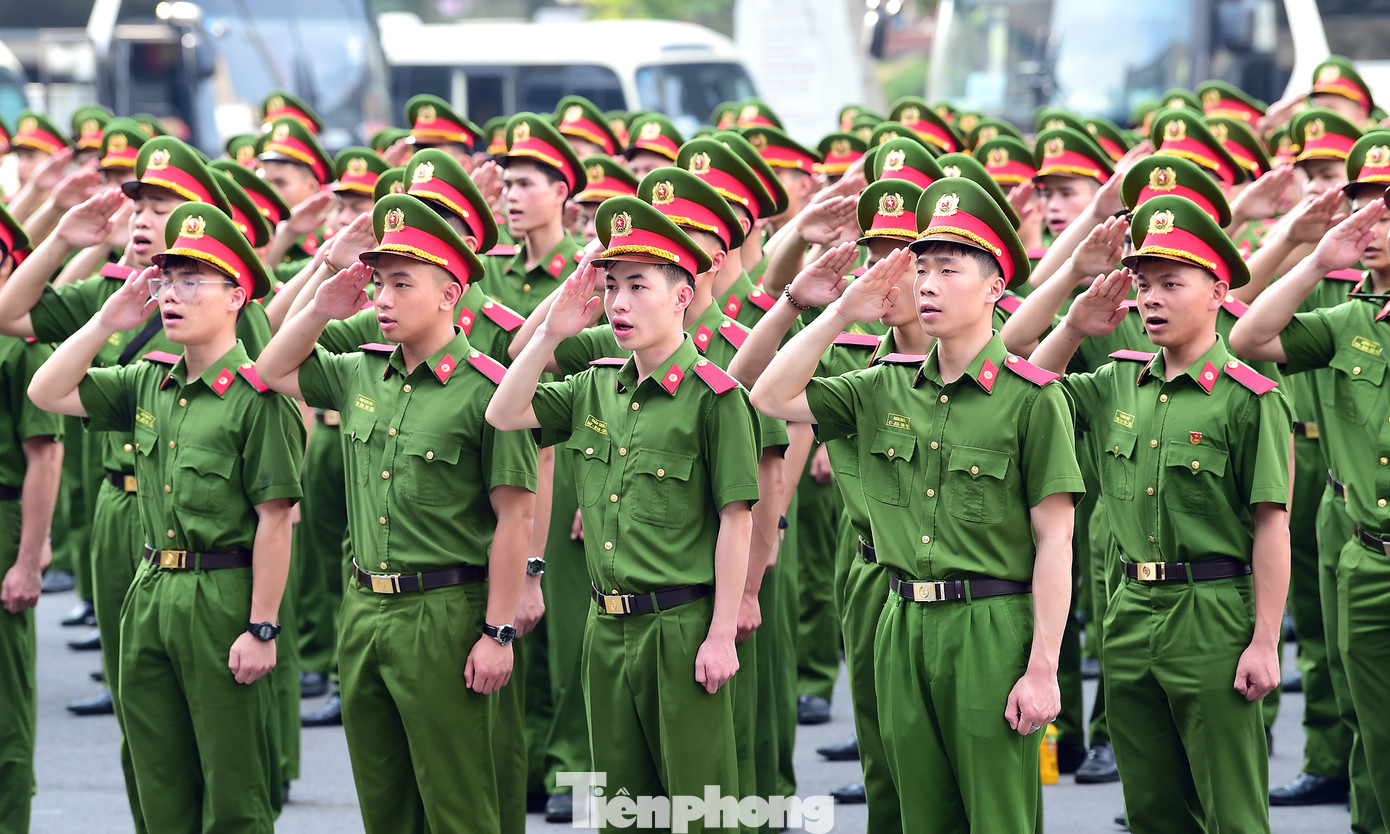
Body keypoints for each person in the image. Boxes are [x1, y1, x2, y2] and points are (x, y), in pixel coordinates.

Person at [751, 177, 1082, 832]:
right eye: (919, 268)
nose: (924, 283)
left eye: (946, 269)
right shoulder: (881, 387)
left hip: (990, 625)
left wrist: (1043, 667)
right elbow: (768, 396)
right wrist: (840, 313)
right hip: (900, 620)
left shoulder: (1032, 399)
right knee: (911, 813)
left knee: (997, 817)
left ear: (994, 286)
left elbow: (1056, 541)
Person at [255, 192, 538, 832]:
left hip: (445, 613)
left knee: (458, 801)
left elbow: (514, 521)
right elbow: (270, 370)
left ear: (448, 295)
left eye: (400, 283)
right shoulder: (360, 372)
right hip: (364, 608)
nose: (381, 297)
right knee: (384, 799)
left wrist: (497, 633)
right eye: (378, 282)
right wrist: (324, 304)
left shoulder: (491, 389)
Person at [28, 202, 305, 833]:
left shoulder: (260, 398)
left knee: (232, 788)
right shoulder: (149, 381)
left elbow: (275, 519)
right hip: (150, 587)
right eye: (166, 281)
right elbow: (46, 391)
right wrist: (106, 320)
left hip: (223, 595)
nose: (171, 295)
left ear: (236, 295)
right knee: (157, 776)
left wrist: (261, 626)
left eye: (191, 281)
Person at [488, 196, 758, 832]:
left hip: (681, 624)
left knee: (701, 811)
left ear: (683, 295)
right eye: (611, 287)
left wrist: (721, 633)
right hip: (606, 626)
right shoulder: (592, 386)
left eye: (638, 286)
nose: (619, 304)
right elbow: (504, 413)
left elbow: (736, 521)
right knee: (619, 812)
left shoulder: (716, 400)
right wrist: (553, 330)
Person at [1032, 194, 1292, 834]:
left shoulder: (1248, 398)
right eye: (1143, 285)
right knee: (1151, 806)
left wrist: (1263, 640)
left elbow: (1271, 525)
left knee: (1232, 808)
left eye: (1171, 284)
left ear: (1218, 292)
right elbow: (1028, 388)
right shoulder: (1117, 381)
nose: (1151, 299)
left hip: (1212, 613)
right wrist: (1071, 328)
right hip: (1130, 610)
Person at [1230, 178, 1390, 825]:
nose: (1372, 220)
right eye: (1364, 206)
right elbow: (1248, 338)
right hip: (1368, 554)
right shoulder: (1349, 321)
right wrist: (1318, 259)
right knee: (1372, 726)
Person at [0, 206, 64, 834]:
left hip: (1, 519)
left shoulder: (19, 349)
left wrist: (27, 556)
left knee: (3, 708)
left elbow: (44, 456)